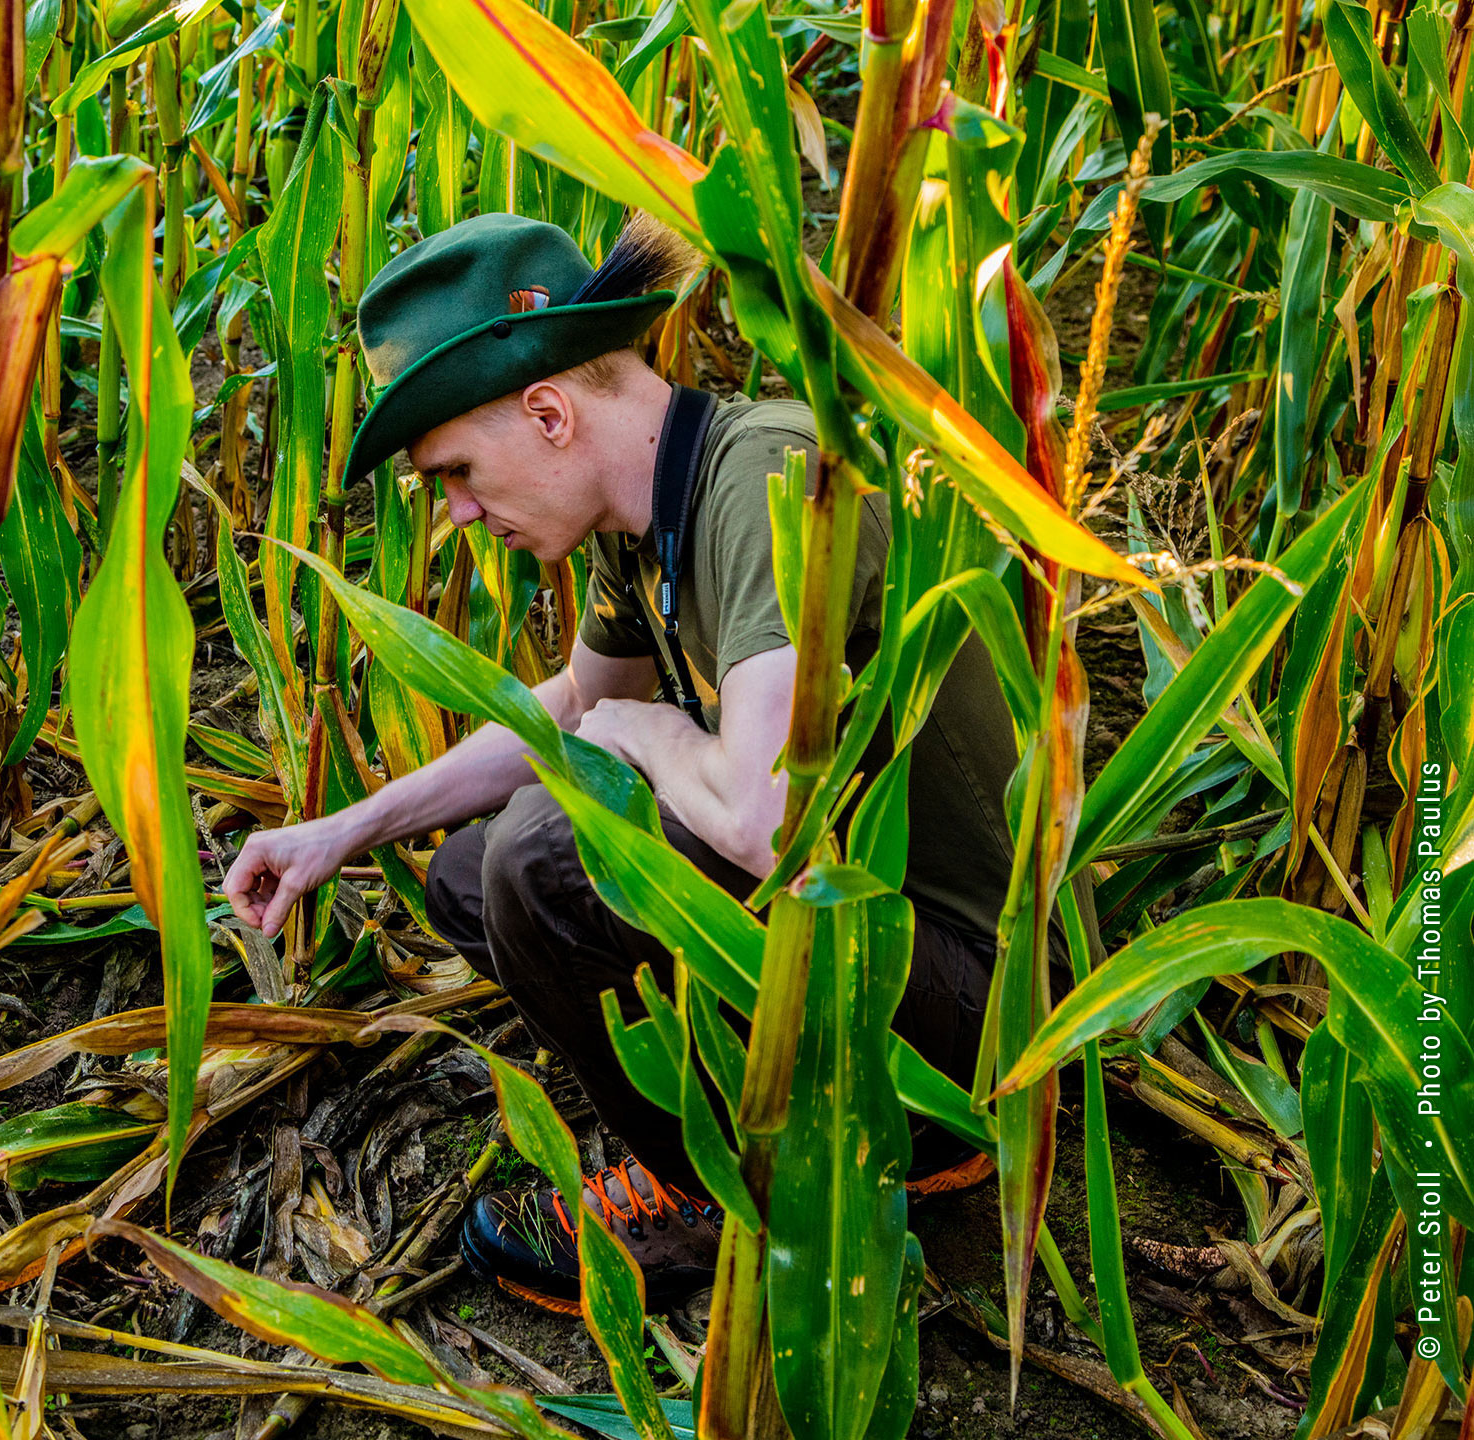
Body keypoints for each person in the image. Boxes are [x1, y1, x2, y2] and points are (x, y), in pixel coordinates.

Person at [226, 210, 1058, 1316]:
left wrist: (651, 734)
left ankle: (743, 1185)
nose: (462, 513)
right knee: (472, 875)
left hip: (990, 998)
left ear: (549, 411)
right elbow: (568, 707)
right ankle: (740, 1109)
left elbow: (765, 820)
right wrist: (345, 831)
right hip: (869, 932)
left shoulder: (770, 478)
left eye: (458, 473)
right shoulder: (641, 519)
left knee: (540, 858)